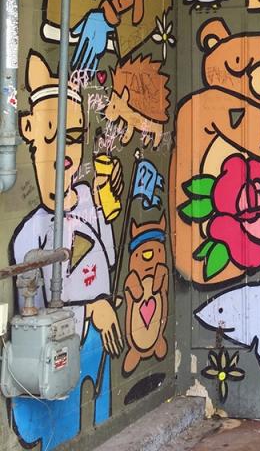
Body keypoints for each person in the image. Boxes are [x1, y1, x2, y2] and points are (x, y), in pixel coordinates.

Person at [9, 52, 123, 449]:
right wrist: (91, 309)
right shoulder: (28, 235)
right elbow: (32, 317)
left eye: (72, 137)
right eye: (51, 134)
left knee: (97, 407)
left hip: (97, 347)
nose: (64, 152)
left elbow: (108, 259)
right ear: (28, 129)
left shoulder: (90, 199)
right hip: (55, 357)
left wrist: (106, 207)